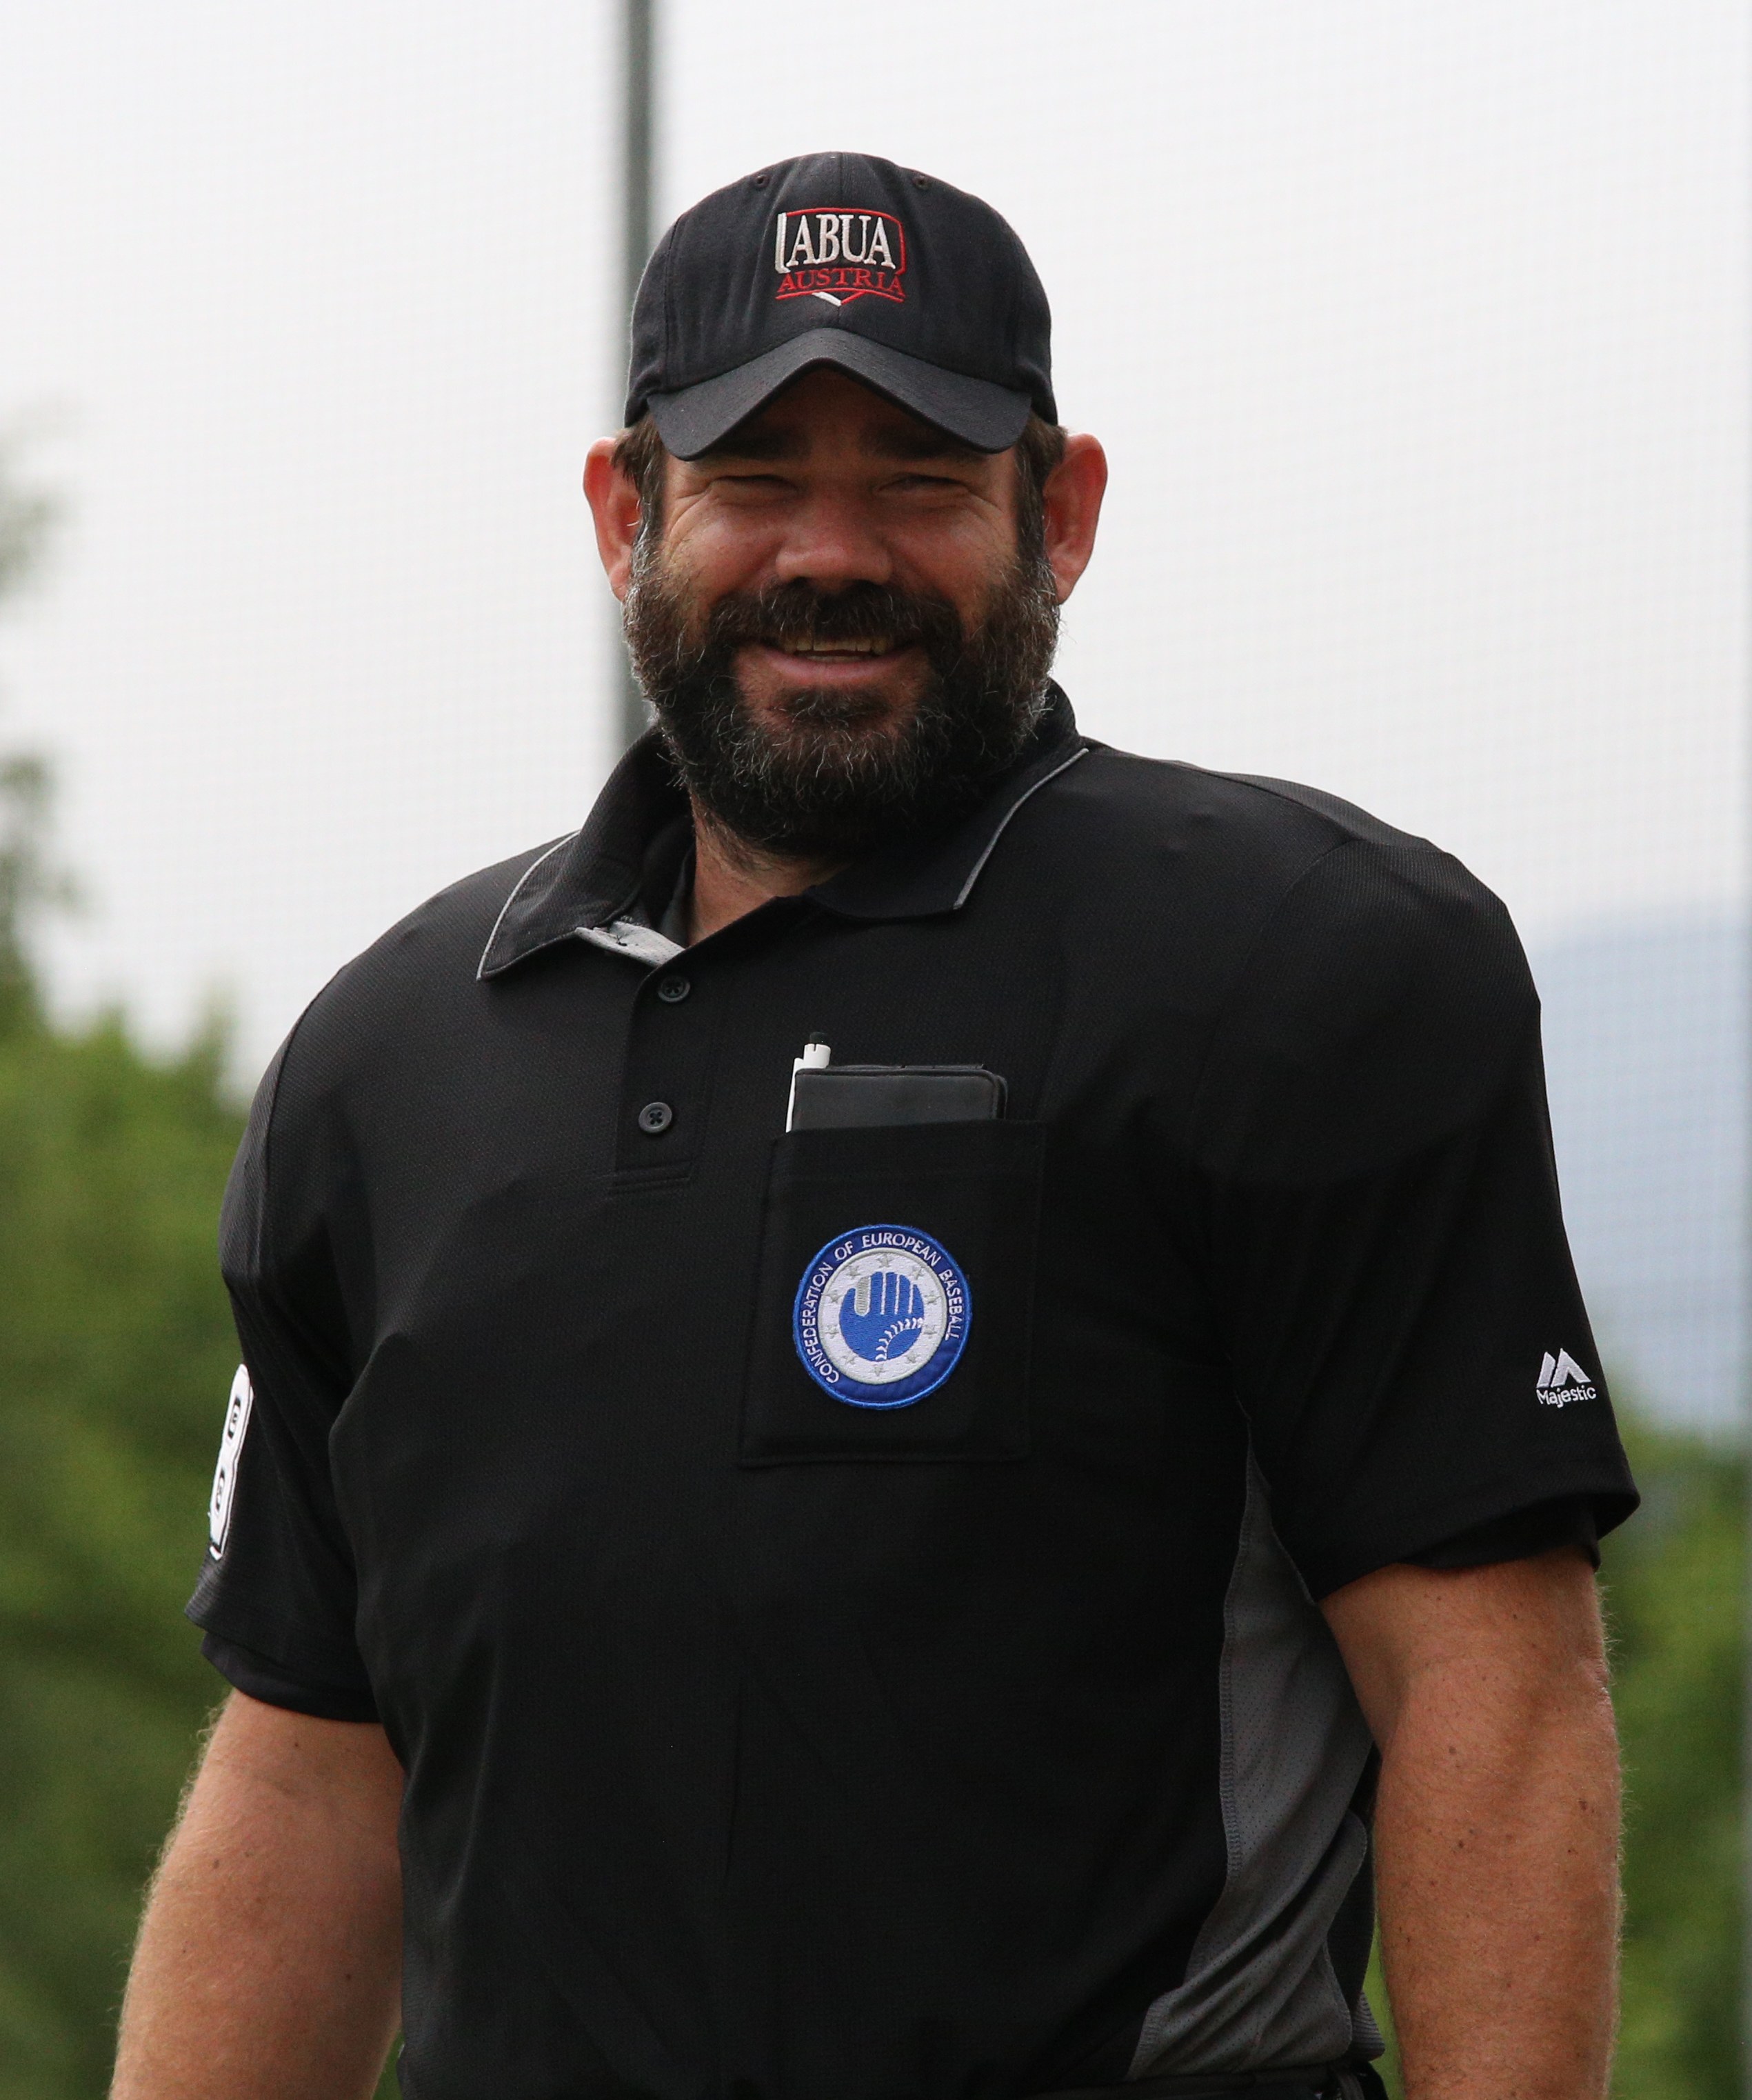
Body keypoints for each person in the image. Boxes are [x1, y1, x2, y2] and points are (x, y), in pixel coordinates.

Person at [113, 153, 1636, 2100]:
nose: (830, 553)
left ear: (1060, 514)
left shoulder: (1310, 970)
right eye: (754, 479)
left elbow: (1493, 1694)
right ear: (627, 514)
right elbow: (309, 1774)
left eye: (919, 480)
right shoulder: (387, 1063)